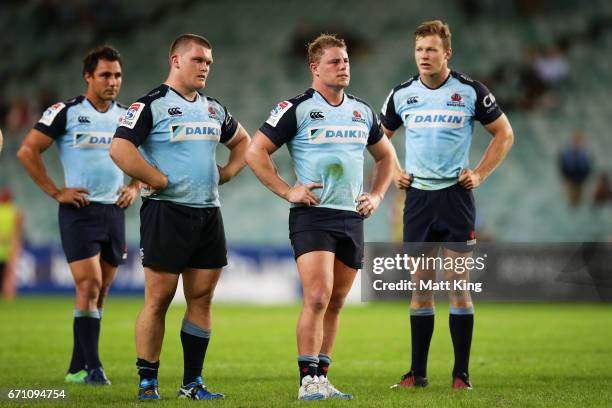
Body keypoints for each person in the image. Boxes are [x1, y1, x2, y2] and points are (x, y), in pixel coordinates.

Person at [247, 34, 395, 400]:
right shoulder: (296, 108)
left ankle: (322, 377)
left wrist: (376, 195)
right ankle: (306, 380)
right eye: (334, 61)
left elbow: (386, 157)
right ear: (314, 68)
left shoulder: (362, 111)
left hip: (351, 217)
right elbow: (255, 151)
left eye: (345, 61)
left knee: (336, 302)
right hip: (312, 216)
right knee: (316, 296)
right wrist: (287, 190)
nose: (343, 66)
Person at [110, 34, 250, 401]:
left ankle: (192, 383)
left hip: (208, 212)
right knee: (158, 300)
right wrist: (153, 178)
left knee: (202, 299)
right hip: (166, 213)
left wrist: (229, 172)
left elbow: (243, 142)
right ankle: (147, 382)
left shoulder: (214, 109)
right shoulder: (151, 104)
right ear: (176, 60)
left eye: (209, 62)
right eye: (198, 60)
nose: (205, 67)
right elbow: (119, 146)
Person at [380, 20, 514, 390]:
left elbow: (504, 133)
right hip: (418, 199)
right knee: (420, 287)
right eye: (420, 49)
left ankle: (461, 375)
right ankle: (417, 373)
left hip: (455, 197)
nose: (425, 56)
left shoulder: (470, 91)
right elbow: (380, 139)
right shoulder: (401, 94)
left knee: (458, 285)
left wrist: (481, 174)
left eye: (432, 50)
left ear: (447, 54)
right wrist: (394, 171)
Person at [17, 45, 139, 385]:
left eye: (117, 75)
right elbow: (27, 151)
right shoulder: (65, 112)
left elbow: (147, 157)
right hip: (79, 211)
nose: (112, 81)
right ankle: (94, 368)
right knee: (89, 283)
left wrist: (135, 186)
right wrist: (56, 191)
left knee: (98, 294)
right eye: (105, 75)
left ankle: (76, 367)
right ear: (88, 76)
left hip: (114, 212)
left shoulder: (127, 116)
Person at [0, 187, 23, 299]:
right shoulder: (15, 211)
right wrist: (17, 244)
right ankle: (9, 294)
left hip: (7, 244)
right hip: (10, 244)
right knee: (9, 273)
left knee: (9, 273)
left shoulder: (14, 211)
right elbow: (18, 231)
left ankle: (8, 294)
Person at [559, 130, 592, 206]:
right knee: (571, 191)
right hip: (570, 176)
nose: (577, 144)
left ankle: (576, 200)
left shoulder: (585, 153)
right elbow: (562, 164)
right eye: (575, 141)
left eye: (579, 142)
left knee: (578, 192)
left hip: (579, 177)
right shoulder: (567, 152)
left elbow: (588, 167)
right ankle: (572, 201)